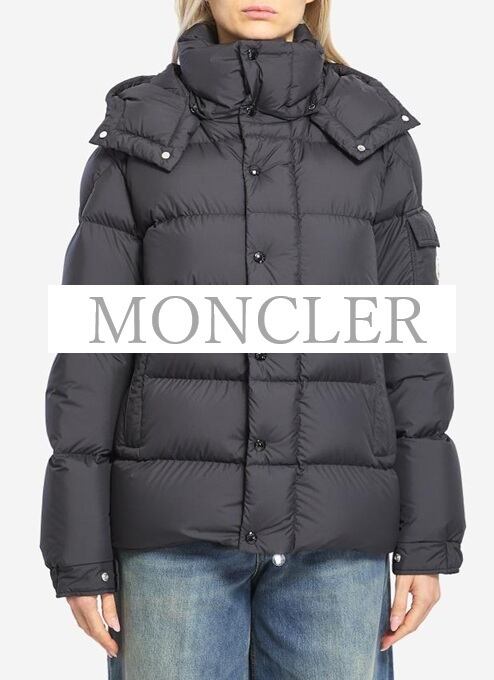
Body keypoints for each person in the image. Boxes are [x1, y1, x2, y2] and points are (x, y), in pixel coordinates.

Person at [40, 1, 465, 678]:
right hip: (172, 538)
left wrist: (428, 540)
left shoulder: (371, 134)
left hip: (338, 540)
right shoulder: (139, 136)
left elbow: (413, 356)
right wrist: (79, 552)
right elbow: (91, 361)